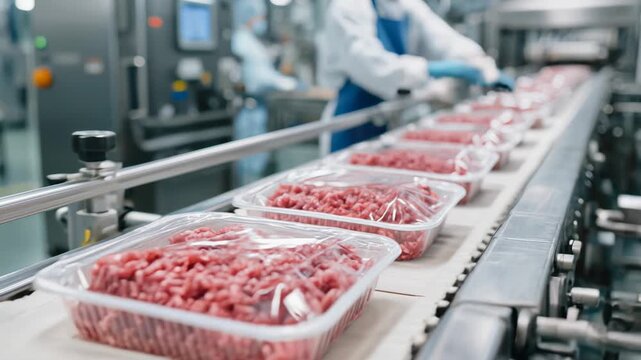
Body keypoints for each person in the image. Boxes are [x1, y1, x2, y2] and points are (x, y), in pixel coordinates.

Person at [318, 0, 514, 152]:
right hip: (353, 118)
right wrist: (430, 70)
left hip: (392, 115)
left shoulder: (406, 4)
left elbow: (445, 40)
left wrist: (482, 66)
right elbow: (370, 65)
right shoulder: (349, 5)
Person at [232, 0, 299, 186]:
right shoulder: (243, 42)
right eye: (259, 16)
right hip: (250, 110)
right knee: (249, 164)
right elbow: (260, 79)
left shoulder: (251, 41)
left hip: (257, 109)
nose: (261, 20)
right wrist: (289, 84)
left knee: (255, 159)